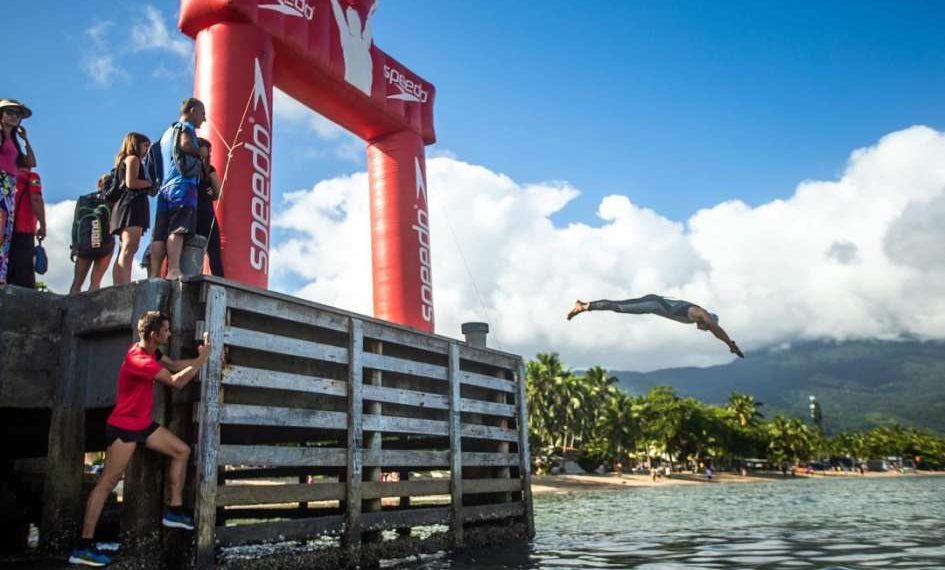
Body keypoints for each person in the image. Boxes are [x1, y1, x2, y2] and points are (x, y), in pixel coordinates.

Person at [68, 312, 211, 567]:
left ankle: (174, 510)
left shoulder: (150, 351)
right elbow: (176, 382)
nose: (170, 333)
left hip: (143, 425)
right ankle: (83, 546)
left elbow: (176, 365)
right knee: (107, 483)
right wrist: (202, 361)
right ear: (155, 335)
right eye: (166, 330)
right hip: (124, 428)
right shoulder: (138, 359)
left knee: (182, 451)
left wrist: (204, 357)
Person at [567, 294, 744, 358]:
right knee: (619, 307)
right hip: (653, 303)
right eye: (707, 327)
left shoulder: (696, 318)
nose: (705, 330)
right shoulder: (700, 313)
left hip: (652, 306)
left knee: (619, 307)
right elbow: (716, 330)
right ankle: (583, 306)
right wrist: (730, 344)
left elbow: (714, 331)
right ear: (708, 322)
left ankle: (584, 305)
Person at [151, 98, 206, 280]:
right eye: (202, 114)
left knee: (160, 235)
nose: (203, 119)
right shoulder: (186, 128)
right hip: (183, 185)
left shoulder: (166, 133)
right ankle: (173, 269)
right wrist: (201, 153)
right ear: (192, 110)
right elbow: (185, 144)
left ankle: (154, 274)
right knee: (178, 229)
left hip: (164, 188)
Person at [0, 99, 36, 285]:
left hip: (9, 187)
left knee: (6, 232)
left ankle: (1, 276)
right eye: (9, 112)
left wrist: (25, 139)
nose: (14, 116)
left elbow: (31, 162)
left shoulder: (13, 141)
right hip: (1, 182)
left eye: (17, 114)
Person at [110, 133, 153, 285]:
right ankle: (124, 284)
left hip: (125, 205)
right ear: (136, 144)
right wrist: (150, 183)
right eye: (145, 145)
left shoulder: (124, 160)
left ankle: (120, 282)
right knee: (129, 247)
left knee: (125, 248)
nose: (147, 149)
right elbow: (131, 182)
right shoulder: (133, 159)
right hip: (132, 205)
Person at [69, 175, 116, 294]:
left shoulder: (83, 199)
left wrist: (75, 246)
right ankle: (91, 311)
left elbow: (76, 224)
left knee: (77, 283)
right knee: (95, 283)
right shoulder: (113, 200)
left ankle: (70, 309)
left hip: (84, 245)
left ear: (99, 184)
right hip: (105, 245)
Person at [7, 167, 45, 288]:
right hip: (24, 230)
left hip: (6, 231)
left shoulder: (8, 177)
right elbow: (36, 199)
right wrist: (43, 225)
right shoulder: (31, 177)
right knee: (24, 276)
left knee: (8, 273)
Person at [195, 138, 223, 277]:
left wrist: (210, 194)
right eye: (207, 147)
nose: (210, 151)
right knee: (210, 248)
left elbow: (218, 193)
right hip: (200, 211)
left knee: (209, 248)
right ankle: (217, 278)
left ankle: (217, 278)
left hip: (197, 210)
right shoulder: (204, 169)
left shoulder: (207, 170)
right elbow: (219, 193)